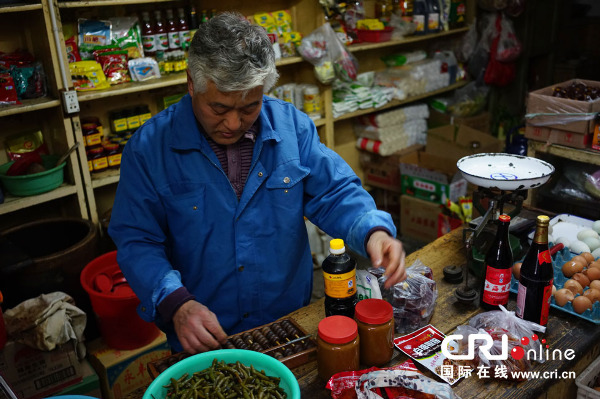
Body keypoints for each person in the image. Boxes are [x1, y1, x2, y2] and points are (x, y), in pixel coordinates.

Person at [108, 11, 406, 355]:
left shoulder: (291, 127)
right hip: (203, 332)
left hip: (290, 323)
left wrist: (373, 231)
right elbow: (137, 240)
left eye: (249, 107)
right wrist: (175, 304)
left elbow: (334, 192)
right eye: (218, 108)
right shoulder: (150, 149)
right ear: (191, 83)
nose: (233, 123)